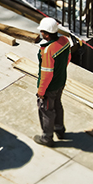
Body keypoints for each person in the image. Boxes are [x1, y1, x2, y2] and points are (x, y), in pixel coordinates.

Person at [34, 17, 71, 147]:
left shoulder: (48, 49)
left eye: (42, 32)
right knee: (57, 105)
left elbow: (46, 74)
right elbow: (68, 58)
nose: (41, 34)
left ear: (47, 34)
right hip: (61, 81)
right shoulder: (65, 41)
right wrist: (60, 74)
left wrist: (41, 91)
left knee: (46, 110)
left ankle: (47, 138)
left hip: (50, 87)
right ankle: (60, 129)